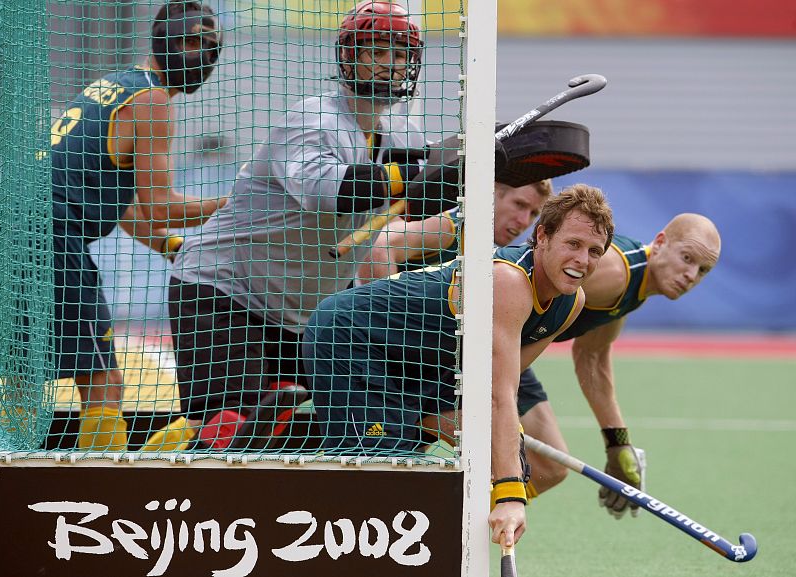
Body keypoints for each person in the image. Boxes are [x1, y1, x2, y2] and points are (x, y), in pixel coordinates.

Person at [142, 1, 442, 452]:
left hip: (307, 313)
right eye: (376, 51)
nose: (389, 65)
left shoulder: (406, 132)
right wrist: (423, 172)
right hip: (225, 292)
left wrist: (453, 175)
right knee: (227, 430)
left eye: (399, 55)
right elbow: (330, 193)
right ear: (349, 56)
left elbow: (413, 210)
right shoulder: (313, 117)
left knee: (382, 407)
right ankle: (146, 473)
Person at [303, 184, 615, 548]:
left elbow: (490, 389)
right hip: (354, 339)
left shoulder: (570, 303)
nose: (583, 259)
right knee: (378, 486)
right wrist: (510, 494)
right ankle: (300, 435)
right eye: (573, 244)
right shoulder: (509, 281)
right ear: (542, 237)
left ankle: (301, 425)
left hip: (423, 364)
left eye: (595, 251)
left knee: (412, 476)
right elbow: (500, 397)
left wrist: (486, 447)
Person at [48, 0, 225, 451]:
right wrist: (236, 200)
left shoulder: (118, 84)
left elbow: (128, 211)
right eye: (190, 43)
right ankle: (98, 488)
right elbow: (162, 205)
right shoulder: (152, 101)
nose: (200, 57)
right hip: (53, 236)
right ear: (162, 42)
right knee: (104, 381)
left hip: (25, 226)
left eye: (209, 48)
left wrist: (173, 248)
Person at [518, 213, 721, 518]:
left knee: (550, 467)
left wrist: (617, 444)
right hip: (465, 348)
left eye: (702, 270)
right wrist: (495, 387)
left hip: (506, 360)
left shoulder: (631, 288)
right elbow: (524, 284)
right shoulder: (615, 272)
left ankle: (464, 519)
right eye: (687, 258)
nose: (691, 274)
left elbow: (592, 359)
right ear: (662, 242)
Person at [355, 178, 552, 283]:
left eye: (534, 213)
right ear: (492, 194)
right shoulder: (450, 224)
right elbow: (379, 247)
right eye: (519, 204)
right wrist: (393, 331)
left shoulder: (491, 251)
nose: (524, 221)